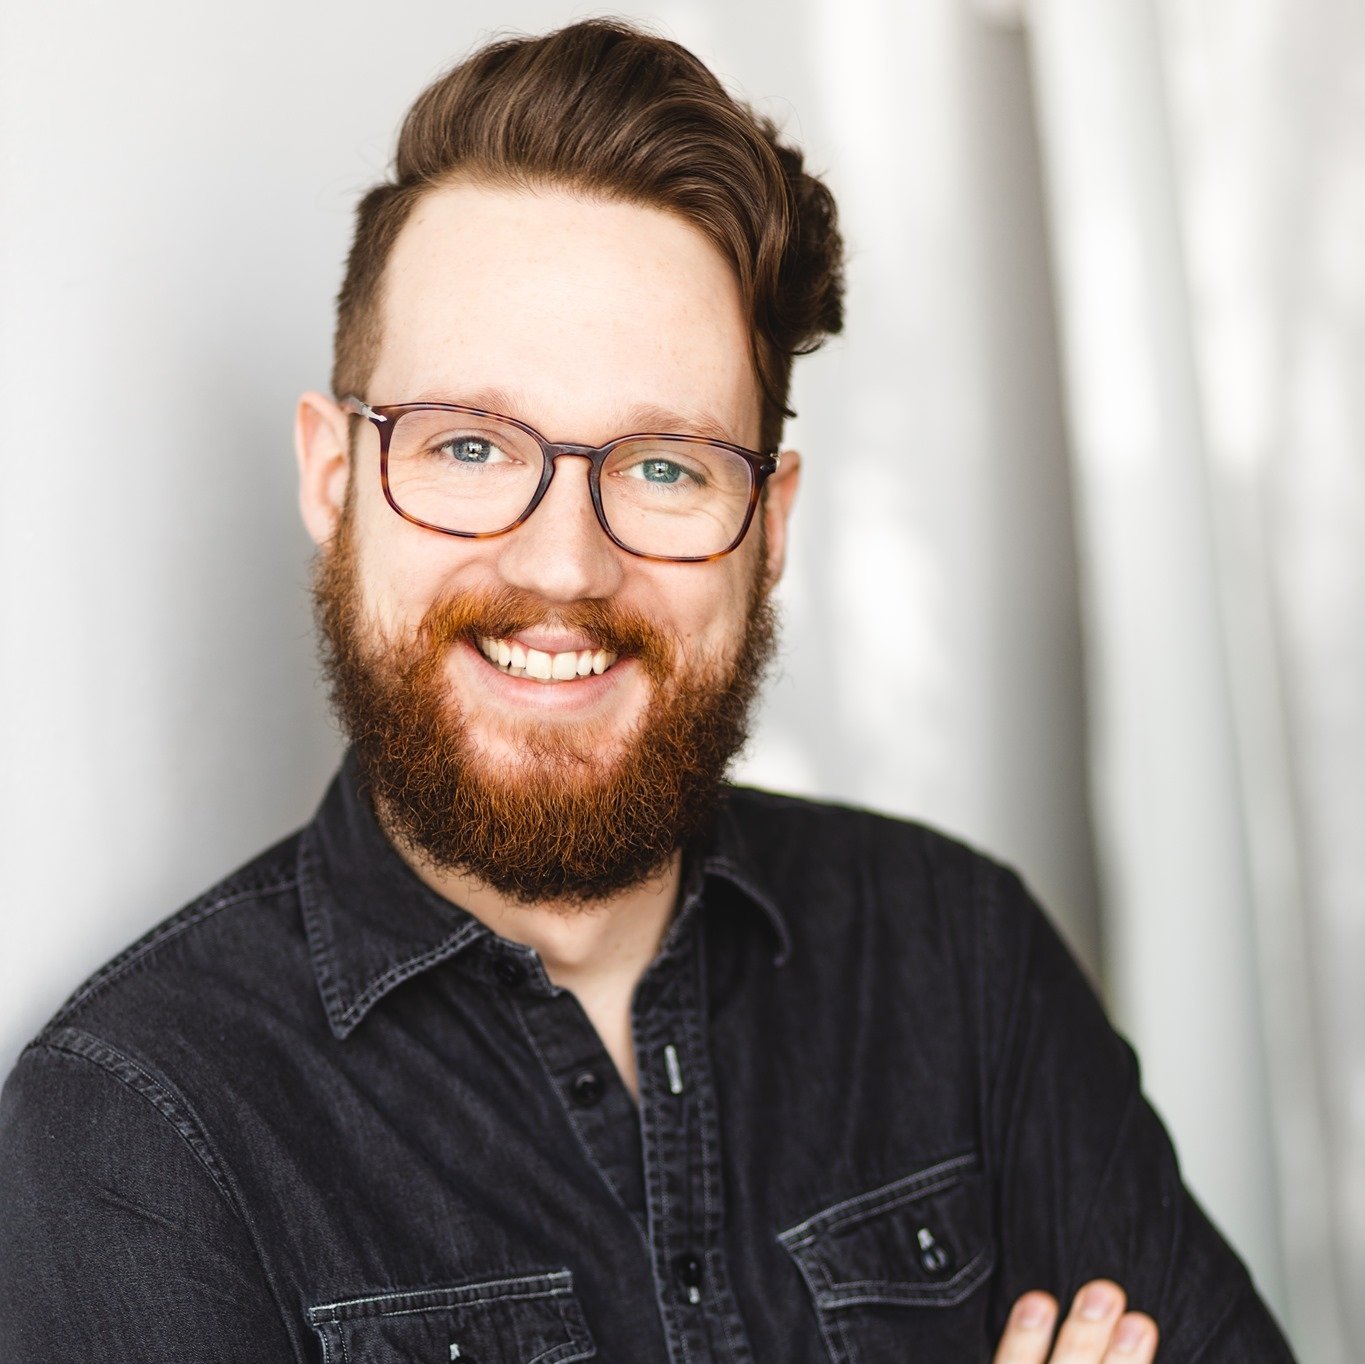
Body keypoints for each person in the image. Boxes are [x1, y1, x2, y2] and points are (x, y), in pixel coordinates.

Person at [0, 19, 1293, 1364]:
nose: (563, 562)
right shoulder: (141, 1128)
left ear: (768, 523)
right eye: (468, 445)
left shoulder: (957, 955)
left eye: (666, 468)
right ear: (333, 480)